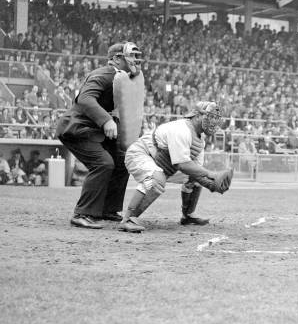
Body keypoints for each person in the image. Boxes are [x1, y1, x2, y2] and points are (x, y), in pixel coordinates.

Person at [56, 42, 143, 229]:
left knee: (122, 161)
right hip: (78, 128)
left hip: (95, 129)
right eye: (131, 56)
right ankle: (82, 213)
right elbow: (85, 98)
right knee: (103, 163)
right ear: (117, 58)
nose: (135, 60)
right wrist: (106, 120)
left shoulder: (124, 78)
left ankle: (108, 209)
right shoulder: (105, 74)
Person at [119, 101, 233, 233]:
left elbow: (195, 171)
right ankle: (127, 219)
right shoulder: (182, 130)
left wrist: (212, 185)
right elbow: (182, 165)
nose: (213, 121)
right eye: (210, 116)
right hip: (141, 153)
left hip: (161, 163)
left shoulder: (200, 139)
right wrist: (212, 174)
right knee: (157, 179)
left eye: (215, 118)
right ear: (196, 116)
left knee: (194, 179)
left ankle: (188, 216)